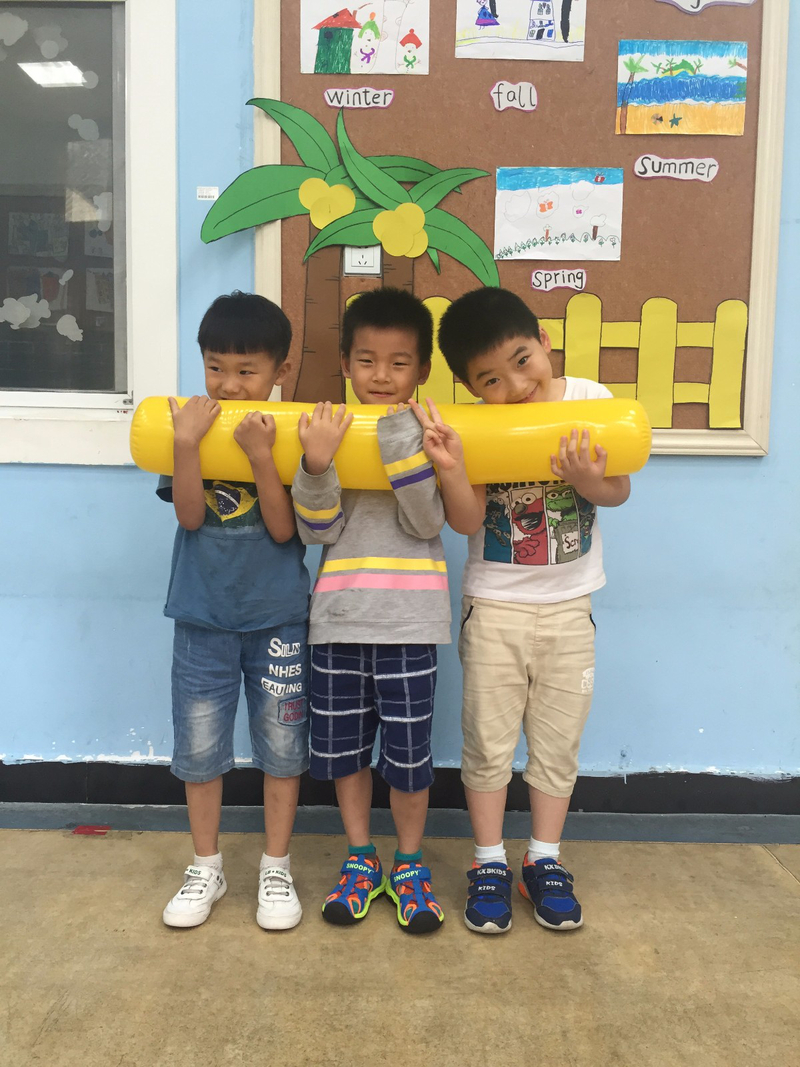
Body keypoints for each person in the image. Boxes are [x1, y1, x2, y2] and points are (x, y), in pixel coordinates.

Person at [412, 286, 631, 934]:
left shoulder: (590, 399)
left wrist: (586, 479)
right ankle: (488, 862)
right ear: (467, 386)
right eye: (491, 380)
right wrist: (453, 468)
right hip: (495, 607)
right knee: (487, 742)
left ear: (544, 342)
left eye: (522, 361)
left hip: (569, 608)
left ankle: (544, 858)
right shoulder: (475, 426)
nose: (515, 386)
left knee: (558, 743)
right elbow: (467, 520)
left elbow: (617, 489)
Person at [291, 287, 450, 934]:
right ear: (346, 364)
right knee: (346, 754)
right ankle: (362, 857)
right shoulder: (328, 429)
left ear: (421, 370)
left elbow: (427, 521)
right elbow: (317, 531)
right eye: (366, 360)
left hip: (410, 622)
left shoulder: (432, 432)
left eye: (398, 362)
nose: (381, 375)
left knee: (409, 760)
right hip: (338, 621)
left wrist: (403, 443)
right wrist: (317, 462)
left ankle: (409, 864)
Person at [158, 291, 310, 931]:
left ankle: (276, 866)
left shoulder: (291, 433)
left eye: (247, 370)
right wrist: (186, 445)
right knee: (199, 750)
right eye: (216, 367)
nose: (228, 383)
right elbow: (191, 516)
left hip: (278, 618)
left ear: (280, 371)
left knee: (283, 746)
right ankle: (206, 866)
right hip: (202, 618)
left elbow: (284, 530)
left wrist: (260, 456)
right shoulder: (187, 427)